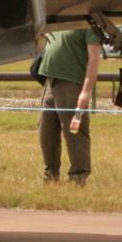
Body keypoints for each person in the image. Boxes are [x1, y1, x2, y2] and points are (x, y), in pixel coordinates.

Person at [37, 24, 102, 185]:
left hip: (72, 84)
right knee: (46, 132)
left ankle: (78, 179)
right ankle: (50, 178)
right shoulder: (58, 20)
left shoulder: (89, 23)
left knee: (74, 134)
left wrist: (86, 91)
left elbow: (94, 57)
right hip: (50, 81)